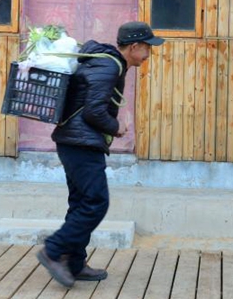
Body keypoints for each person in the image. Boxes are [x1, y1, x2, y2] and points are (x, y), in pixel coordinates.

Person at [36, 21, 164, 288]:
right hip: (80, 143)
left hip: (75, 141)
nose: (149, 53)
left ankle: (73, 263)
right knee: (95, 202)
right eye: (147, 48)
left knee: (82, 202)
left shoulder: (108, 64)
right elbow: (93, 111)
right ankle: (53, 249)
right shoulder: (109, 67)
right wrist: (116, 128)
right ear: (134, 46)